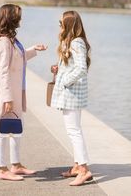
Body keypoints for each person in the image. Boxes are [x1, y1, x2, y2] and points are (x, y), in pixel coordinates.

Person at [0, 4, 47, 181]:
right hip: (7, 90)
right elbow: (3, 70)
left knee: (16, 128)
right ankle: (2, 169)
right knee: (4, 130)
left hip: (15, 89)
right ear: (10, 18)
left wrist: (34, 50)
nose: (20, 19)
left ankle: (16, 165)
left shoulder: (10, 39)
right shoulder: (3, 42)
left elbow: (17, 60)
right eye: (18, 16)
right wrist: (7, 98)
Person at [51, 10, 92, 186]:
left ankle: (83, 170)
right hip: (71, 93)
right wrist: (59, 69)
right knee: (74, 130)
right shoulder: (71, 42)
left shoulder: (76, 42)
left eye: (61, 24)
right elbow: (74, 66)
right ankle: (77, 165)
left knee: (74, 131)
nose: (59, 27)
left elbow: (81, 68)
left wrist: (66, 80)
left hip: (72, 93)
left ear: (68, 25)